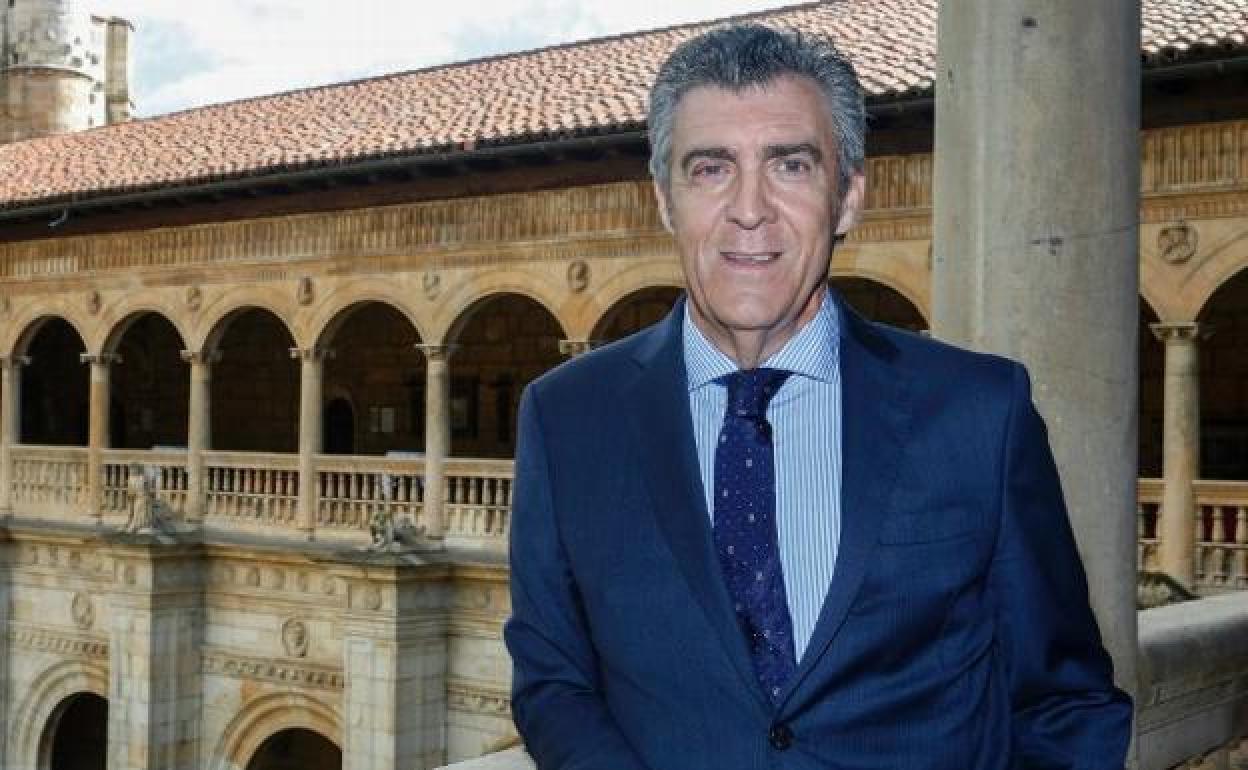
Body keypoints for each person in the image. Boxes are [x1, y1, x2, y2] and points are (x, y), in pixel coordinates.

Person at [505, 23, 1132, 770]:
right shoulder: (568, 419)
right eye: (710, 169)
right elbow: (554, 683)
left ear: (848, 198)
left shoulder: (979, 414)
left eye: (791, 165)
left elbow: (1065, 700)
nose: (749, 209)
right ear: (666, 201)